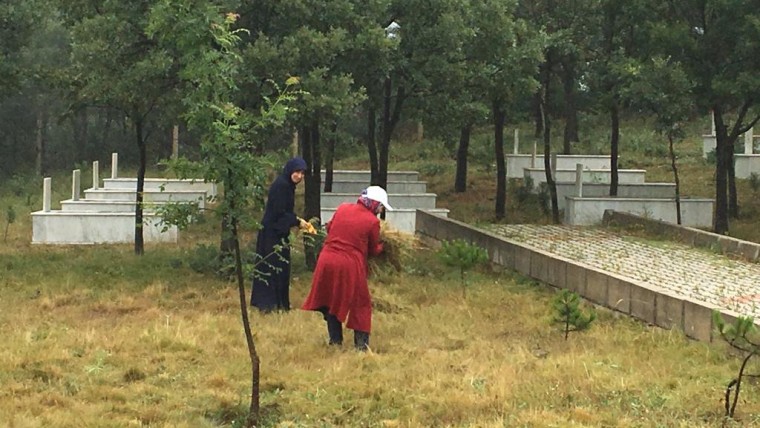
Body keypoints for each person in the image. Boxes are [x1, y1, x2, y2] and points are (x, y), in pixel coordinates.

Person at [301, 186, 394, 351]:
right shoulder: (372, 222)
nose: (380, 210)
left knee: (331, 300)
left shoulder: (343, 208)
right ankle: (361, 346)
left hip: (326, 260)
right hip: (349, 264)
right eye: (380, 206)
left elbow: (330, 228)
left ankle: (335, 341)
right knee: (361, 302)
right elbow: (373, 249)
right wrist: (384, 247)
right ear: (373, 203)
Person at [251, 157, 310, 312]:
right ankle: (268, 305)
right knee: (272, 267)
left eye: (302, 173)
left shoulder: (288, 186)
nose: (300, 176)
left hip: (278, 232)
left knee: (281, 267)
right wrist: (297, 221)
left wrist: (295, 220)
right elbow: (278, 212)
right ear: (290, 170)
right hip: (271, 233)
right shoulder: (282, 186)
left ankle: (279, 304)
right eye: (297, 172)